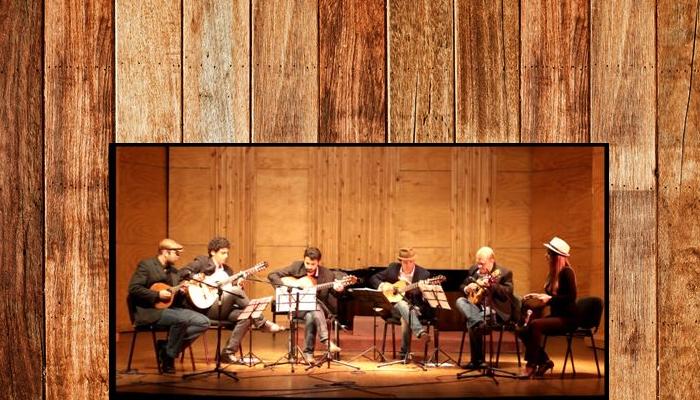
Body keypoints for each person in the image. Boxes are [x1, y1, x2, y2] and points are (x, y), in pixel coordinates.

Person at [180, 236, 283, 364]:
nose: (226, 256)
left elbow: (233, 295)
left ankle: (227, 353)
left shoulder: (228, 271)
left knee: (247, 315)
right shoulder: (202, 261)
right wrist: (196, 277)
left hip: (223, 307)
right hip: (205, 308)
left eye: (227, 253)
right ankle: (261, 322)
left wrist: (238, 284)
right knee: (236, 292)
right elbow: (183, 272)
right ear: (212, 252)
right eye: (223, 253)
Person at [127, 238, 210, 374]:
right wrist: (157, 295)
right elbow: (134, 288)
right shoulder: (146, 266)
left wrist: (183, 291)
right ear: (165, 252)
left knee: (203, 322)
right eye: (176, 253)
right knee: (181, 319)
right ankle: (169, 358)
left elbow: (173, 295)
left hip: (168, 309)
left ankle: (167, 348)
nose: (178, 256)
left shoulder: (174, 271)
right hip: (149, 311)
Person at [267, 247, 344, 363]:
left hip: (315, 310)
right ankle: (326, 341)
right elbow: (272, 275)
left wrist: (339, 289)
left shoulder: (328, 275)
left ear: (318, 262)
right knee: (313, 307)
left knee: (311, 313)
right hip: (296, 307)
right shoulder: (296, 266)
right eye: (307, 263)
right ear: (304, 260)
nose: (309, 266)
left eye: (313, 264)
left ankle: (308, 354)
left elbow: (336, 296)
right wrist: (284, 287)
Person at [518, 236, 578, 378]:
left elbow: (570, 298)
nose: (546, 256)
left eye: (549, 253)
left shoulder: (567, 272)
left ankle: (531, 365)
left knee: (536, 325)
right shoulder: (553, 274)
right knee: (523, 330)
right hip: (557, 316)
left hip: (568, 319)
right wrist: (538, 296)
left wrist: (549, 299)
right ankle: (544, 361)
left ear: (557, 257)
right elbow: (555, 297)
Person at [454, 246, 515, 369]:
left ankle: (477, 361)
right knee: (460, 300)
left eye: (482, 264)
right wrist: (467, 288)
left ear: (492, 260)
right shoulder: (474, 270)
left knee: (471, 323)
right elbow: (462, 285)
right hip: (476, 308)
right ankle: (477, 321)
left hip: (494, 310)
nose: (479, 267)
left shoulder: (504, 273)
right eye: (478, 263)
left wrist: (492, 285)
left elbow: (507, 293)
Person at [369, 248, 432, 359]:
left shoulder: (424, 274)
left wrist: (418, 289)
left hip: (415, 309)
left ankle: (404, 353)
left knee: (405, 316)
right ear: (400, 261)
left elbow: (423, 296)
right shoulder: (393, 269)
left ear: (414, 261)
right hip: (393, 309)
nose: (408, 264)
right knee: (402, 305)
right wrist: (384, 286)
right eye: (405, 262)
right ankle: (420, 332)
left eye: (411, 262)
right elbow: (374, 278)